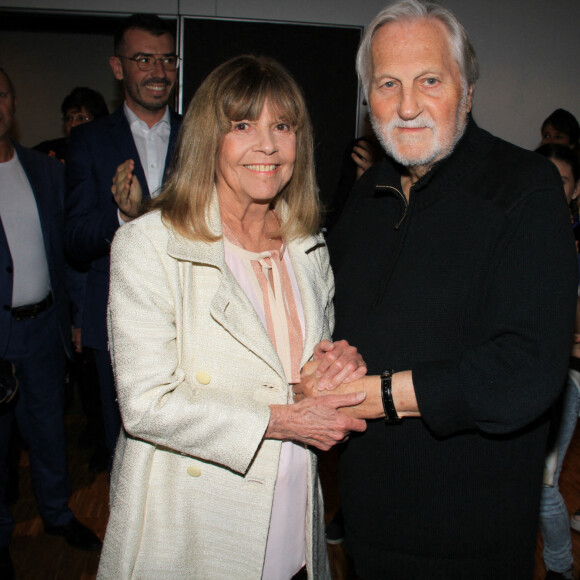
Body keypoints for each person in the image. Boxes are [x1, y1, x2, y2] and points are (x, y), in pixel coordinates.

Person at [296, 1, 578, 578]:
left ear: (467, 90)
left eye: (429, 80)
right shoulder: (369, 190)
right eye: (387, 84)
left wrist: (384, 395)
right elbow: (337, 316)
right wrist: (321, 362)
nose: (406, 106)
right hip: (369, 519)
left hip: (470, 533)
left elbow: (527, 369)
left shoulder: (524, 189)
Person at [96, 54, 367, 580]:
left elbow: (298, 374)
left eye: (282, 126)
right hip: (197, 518)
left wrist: (334, 366)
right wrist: (285, 419)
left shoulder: (307, 245)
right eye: (242, 125)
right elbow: (147, 404)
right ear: (207, 139)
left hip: (290, 502)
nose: (266, 144)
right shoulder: (149, 245)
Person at [65, 13, 182, 461]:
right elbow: (74, 239)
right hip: (115, 319)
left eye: (167, 59)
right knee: (124, 450)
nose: (158, 71)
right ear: (118, 68)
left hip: (188, 315)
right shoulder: (89, 141)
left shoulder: (200, 136)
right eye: (143, 59)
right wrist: (121, 215)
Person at [0, 67, 101, 580]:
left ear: (12, 102)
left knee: (48, 432)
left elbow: (71, 257)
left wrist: (79, 317)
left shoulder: (44, 170)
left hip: (43, 328)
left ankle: (58, 515)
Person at [34, 86, 109, 162]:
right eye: (68, 119)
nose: (73, 124)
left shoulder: (109, 152)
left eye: (81, 118)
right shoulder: (48, 150)